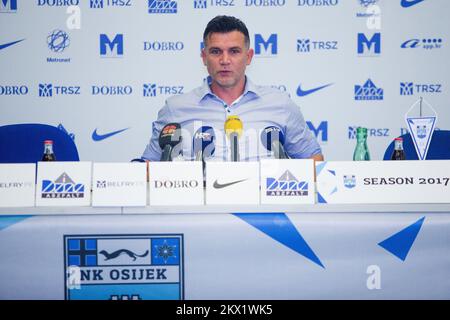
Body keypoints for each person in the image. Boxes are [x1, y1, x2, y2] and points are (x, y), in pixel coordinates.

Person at [141, 15, 324, 162]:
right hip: (199, 208)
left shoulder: (280, 104)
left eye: (234, 51)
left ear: (249, 56)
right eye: (216, 51)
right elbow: (149, 168)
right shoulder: (176, 109)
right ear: (204, 57)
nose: (225, 60)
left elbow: (313, 160)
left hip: (263, 208)